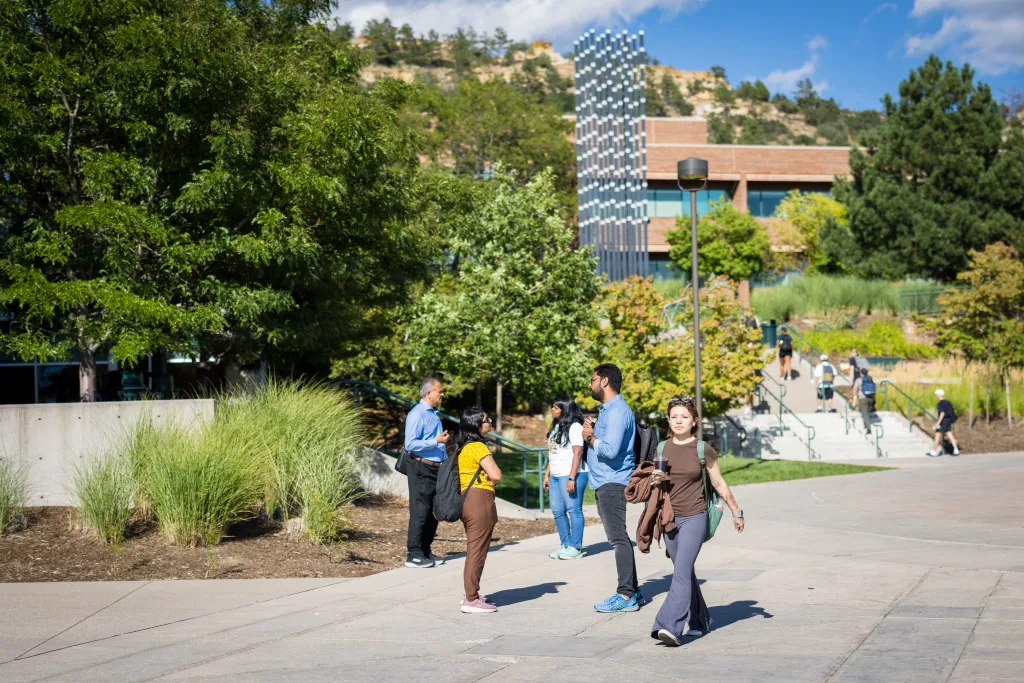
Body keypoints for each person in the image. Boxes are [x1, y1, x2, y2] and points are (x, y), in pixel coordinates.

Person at [650, 396, 745, 647]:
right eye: (674, 417)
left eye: (684, 416)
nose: (678, 421)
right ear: (668, 420)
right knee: (685, 572)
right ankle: (701, 621)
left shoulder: (704, 449)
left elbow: (719, 483)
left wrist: (736, 511)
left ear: (694, 421)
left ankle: (669, 625)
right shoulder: (661, 448)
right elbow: (657, 485)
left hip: (695, 516)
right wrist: (655, 480)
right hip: (670, 517)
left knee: (680, 572)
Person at [582, 363, 642, 613]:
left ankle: (626, 594)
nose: (590, 384)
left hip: (613, 481)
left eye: (593, 379)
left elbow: (610, 450)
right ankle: (633, 590)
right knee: (618, 537)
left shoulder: (617, 411)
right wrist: (595, 429)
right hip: (606, 480)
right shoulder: (608, 410)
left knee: (618, 538)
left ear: (604, 381)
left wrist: (589, 437)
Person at [453, 407, 503, 613]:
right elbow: (497, 475)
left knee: (476, 548)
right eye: (486, 419)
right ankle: (471, 599)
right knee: (477, 551)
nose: (489, 421)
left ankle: (471, 594)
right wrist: (491, 476)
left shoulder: (464, 447)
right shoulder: (478, 447)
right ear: (476, 425)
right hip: (479, 499)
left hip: (468, 500)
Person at [403, 377, 451, 569]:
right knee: (420, 511)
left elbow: (436, 442)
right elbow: (410, 444)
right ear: (428, 393)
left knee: (432, 512)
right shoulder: (417, 414)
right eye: (439, 391)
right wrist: (436, 441)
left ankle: (425, 550)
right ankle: (413, 554)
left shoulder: (433, 414)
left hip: (436, 468)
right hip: (421, 468)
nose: (442, 394)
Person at [543, 395, 589, 560]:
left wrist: (572, 478)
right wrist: (547, 474)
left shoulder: (575, 427)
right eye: (552, 407)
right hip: (556, 474)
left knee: (573, 510)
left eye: (556, 407)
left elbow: (578, 452)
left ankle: (575, 547)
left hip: (571, 474)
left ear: (565, 409)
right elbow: (553, 452)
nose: (552, 409)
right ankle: (565, 545)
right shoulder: (556, 426)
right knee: (557, 511)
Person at [928, 389, 961, 457]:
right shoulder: (948, 402)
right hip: (948, 420)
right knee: (949, 434)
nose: (936, 396)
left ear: (938, 395)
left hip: (943, 421)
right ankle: (956, 450)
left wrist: (937, 424)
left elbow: (942, 413)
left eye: (936, 395)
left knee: (937, 435)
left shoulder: (940, 403)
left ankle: (933, 451)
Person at [852, 367, 876, 432]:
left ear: (861, 373)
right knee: (866, 412)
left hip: (863, 399)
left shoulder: (858, 380)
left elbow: (854, 390)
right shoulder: (870, 379)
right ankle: (866, 424)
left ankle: (868, 429)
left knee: (865, 413)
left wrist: (854, 400)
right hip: (871, 398)